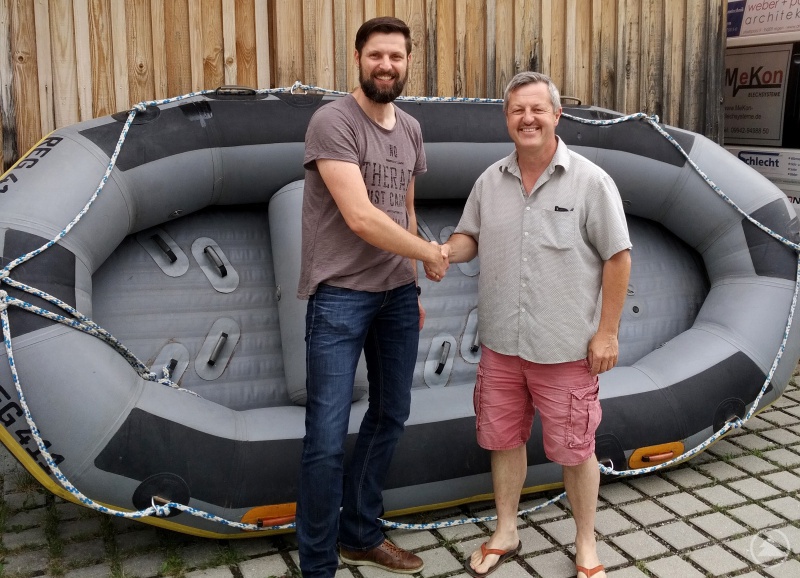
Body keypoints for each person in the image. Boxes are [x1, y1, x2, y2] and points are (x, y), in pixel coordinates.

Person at [432, 72, 631, 578]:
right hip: (501, 346)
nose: (528, 118)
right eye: (518, 110)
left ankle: (585, 544)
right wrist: (443, 252)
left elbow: (618, 258)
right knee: (503, 440)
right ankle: (506, 531)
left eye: (538, 109)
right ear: (506, 118)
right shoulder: (489, 181)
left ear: (557, 115)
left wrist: (607, 332)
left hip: (565, 349)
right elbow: (469, 237)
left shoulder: (590, 182)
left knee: (576, 450)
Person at [295, 16, 448, 578]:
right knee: (326, 437)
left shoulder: (410, 128)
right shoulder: (332, 122)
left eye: (397, 56)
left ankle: (360, 535)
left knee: (390, 415)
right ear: (358, 58)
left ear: (408, 63)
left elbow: (404, 208)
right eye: (377, 55)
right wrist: (429, 253)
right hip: (340, 296)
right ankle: (318, 566)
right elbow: (360, 217)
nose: (387, 65)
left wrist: (412, 278)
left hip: (396, 298)